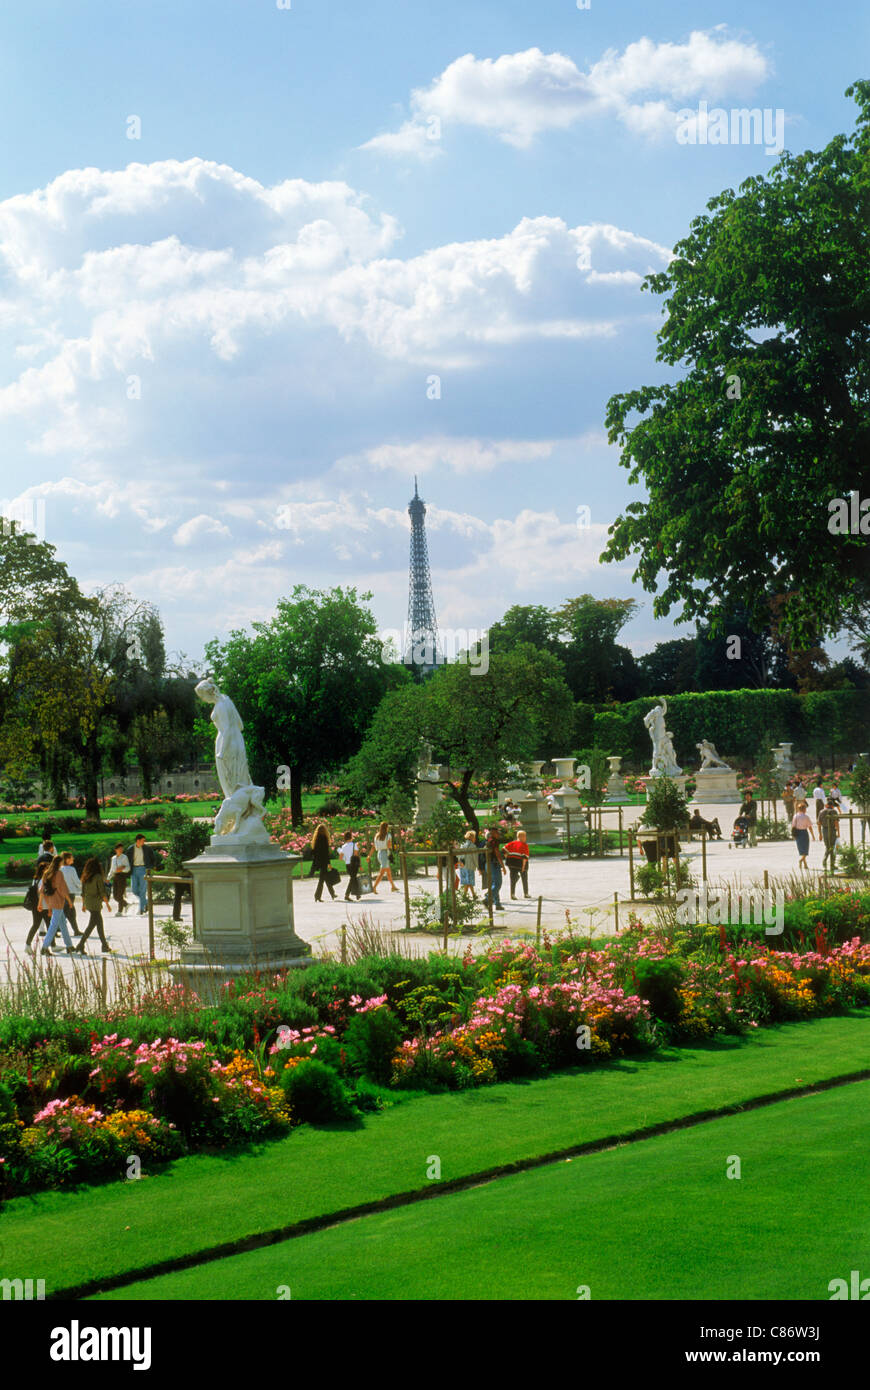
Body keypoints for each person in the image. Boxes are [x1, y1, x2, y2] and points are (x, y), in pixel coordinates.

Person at [38, 855, 75, 956]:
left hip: (50, 899)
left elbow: (41, 890)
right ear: (59, 863)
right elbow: (62, 889)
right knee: (54, 925)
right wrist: (69, 900)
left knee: (62, 923)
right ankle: (45, 947)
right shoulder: (58, 873)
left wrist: (40, 903)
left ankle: (69, 946)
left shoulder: (46, 873)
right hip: (58, 900)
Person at [75, 858, 113, 953]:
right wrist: (108, 904)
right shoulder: (98, 877)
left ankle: (104, 945)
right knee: (93, 925)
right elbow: (102, 892)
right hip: (95, 903)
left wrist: (83, 905)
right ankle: (81, 944)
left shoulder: (85, 876)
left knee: (98, 924)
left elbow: (83, 893)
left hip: (88, 902)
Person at [124, 834, 156, 915]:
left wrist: (150, 867)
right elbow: (126, 860)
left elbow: (153, 858)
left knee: (142, 890)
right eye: (143, 840)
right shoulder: (130, 849)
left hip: (143, 869)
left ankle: (142, 909)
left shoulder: (147, 848)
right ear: (138, 841)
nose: (144, 842)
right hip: (134, 869)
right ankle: (146, 902)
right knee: (134, 890)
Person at [24, 860, 50, 951]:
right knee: (49, 925)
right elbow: (42, 893)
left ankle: (27, 944)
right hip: (42, 905)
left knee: (37, 925)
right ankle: (53, 946)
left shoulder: (35, 879)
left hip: (36, 905)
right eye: (48, 868)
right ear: (43, 870)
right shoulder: (43, 879)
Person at [309, 822, 336, 902]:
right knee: (322, 879)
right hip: (323, 861)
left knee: (325, 878)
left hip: (318, 861)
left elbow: (313, 852)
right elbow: (325, 853)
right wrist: (329, 863)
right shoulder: (324, 838)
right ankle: (317, 895)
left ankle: (332, 893)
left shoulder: (316, 839)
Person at [372, 821, 400, 893]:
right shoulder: (388, 835)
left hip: (379, 853)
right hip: (385, 853)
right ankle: (374, 887)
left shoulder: (377, 835)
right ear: (386, 827)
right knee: (382, 872)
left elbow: (375, 846)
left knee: (388, 872)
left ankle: (393, 886)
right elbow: (389, 845)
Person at [59, 852, 83, 936]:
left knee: (71, 912)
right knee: (67, 911)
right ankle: (56, 929)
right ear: (67, 859)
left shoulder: (59, 869)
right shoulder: (71, 869)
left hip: (61, 893)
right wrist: (82, 887)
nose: (73, 859)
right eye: (71, 858)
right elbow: (76, 881)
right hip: (70, 893)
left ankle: (76, 930)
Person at [504, 828, 531, 899]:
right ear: (520, 837)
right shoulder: (524, 845)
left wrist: (507, 856)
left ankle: (512, 894)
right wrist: (523, 867)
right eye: (524, 836)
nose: (525, 838)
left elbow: (504, 849)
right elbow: (525, 858)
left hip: (511, 864)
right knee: (524, 879)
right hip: (520, 864)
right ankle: (526, 893)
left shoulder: (512, 843)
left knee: (512, 879)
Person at [483, 826, 505, 911]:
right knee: (498, 884)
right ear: (492, 833)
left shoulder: (488, 841)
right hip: (493, 864)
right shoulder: (494, 841)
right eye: (497, 832)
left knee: (494, 884)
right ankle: (487, 899)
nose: (498, 834)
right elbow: (497, 854)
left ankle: (497, 904)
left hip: (487, 864)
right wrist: (503, 866)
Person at [791, 799, 816, 870]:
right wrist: (813, 835)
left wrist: (793, 835)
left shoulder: (795, 816)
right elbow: (810, 827)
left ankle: (805, 864)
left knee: (801, 849)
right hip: (804, 833)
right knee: (805, 849)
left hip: (797, 833)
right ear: (804, 809)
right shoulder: (806, 817)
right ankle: (801, 860)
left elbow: (793, 826)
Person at [108, 843, 131, 915]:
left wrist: (121, 870)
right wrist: (108, 878)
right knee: (115, 896)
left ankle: (120, 911)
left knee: (119, 895)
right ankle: (126, 904)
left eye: (122, 849)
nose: (121, 850)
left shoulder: (124, 857)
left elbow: (128, 868)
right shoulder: (113, 858)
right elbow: (112, 869)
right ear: (116, 850)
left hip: (122, 876)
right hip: (115, 877)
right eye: (119, 849)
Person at [339, 831, 362, 901]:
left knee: (353, 878)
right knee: (353, 879)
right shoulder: (354, 845)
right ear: (351, 837)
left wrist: (346, 858)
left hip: (347, 864)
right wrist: (360, 865)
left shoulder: (343, 846)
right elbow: (356, 855)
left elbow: (340, 858)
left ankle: (357, 894)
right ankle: (348, 895)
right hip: (354, 864)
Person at [819, 798, 840, 872]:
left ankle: (824, 860)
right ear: (832, 806)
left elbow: (819, 823)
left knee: (827, 846)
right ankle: (832, 864)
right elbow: (836, 822)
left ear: (827, 805)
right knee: (833, 847)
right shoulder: (834, 811)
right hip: (832, 830)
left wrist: (820, 834)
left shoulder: (821, 811)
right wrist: (838, 832)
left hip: (824, 830)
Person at [459, 829, 479, 898]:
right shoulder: (473, 846)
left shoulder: (462, 845)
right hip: (470, 866)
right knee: (469, 881)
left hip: (462, 865)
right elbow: (475, 858)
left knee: (466, 881)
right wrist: (477, 866)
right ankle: (465, 896)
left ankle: (473, 894)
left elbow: (459, 855)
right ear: (472, 837)